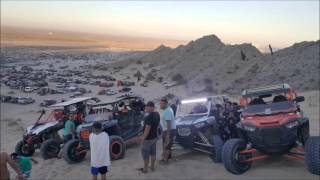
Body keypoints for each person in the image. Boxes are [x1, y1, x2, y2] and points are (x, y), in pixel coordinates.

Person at [140, 101, 160, 173]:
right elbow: (157, 126)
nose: (146, 109)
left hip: (147, 139)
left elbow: (147, 128)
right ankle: (152, 166)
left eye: (147, 107)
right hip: (154, 137)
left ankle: (145, 169)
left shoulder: (149, 117)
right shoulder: (157, 114)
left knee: (145, 155)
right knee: (153, 153)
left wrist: (143, 138)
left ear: (150, 107)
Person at [159, 98, 176, 164]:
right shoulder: (167, 110)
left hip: (169, 130)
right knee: (166, 144)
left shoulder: (168, 111)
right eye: (160, 104)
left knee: (167, 144)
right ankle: (168, 157)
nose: (160, 105)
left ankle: (165, 160)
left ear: (166, 104)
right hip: (167, 130)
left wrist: (168, 134)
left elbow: (168, 122)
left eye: (161, 104)